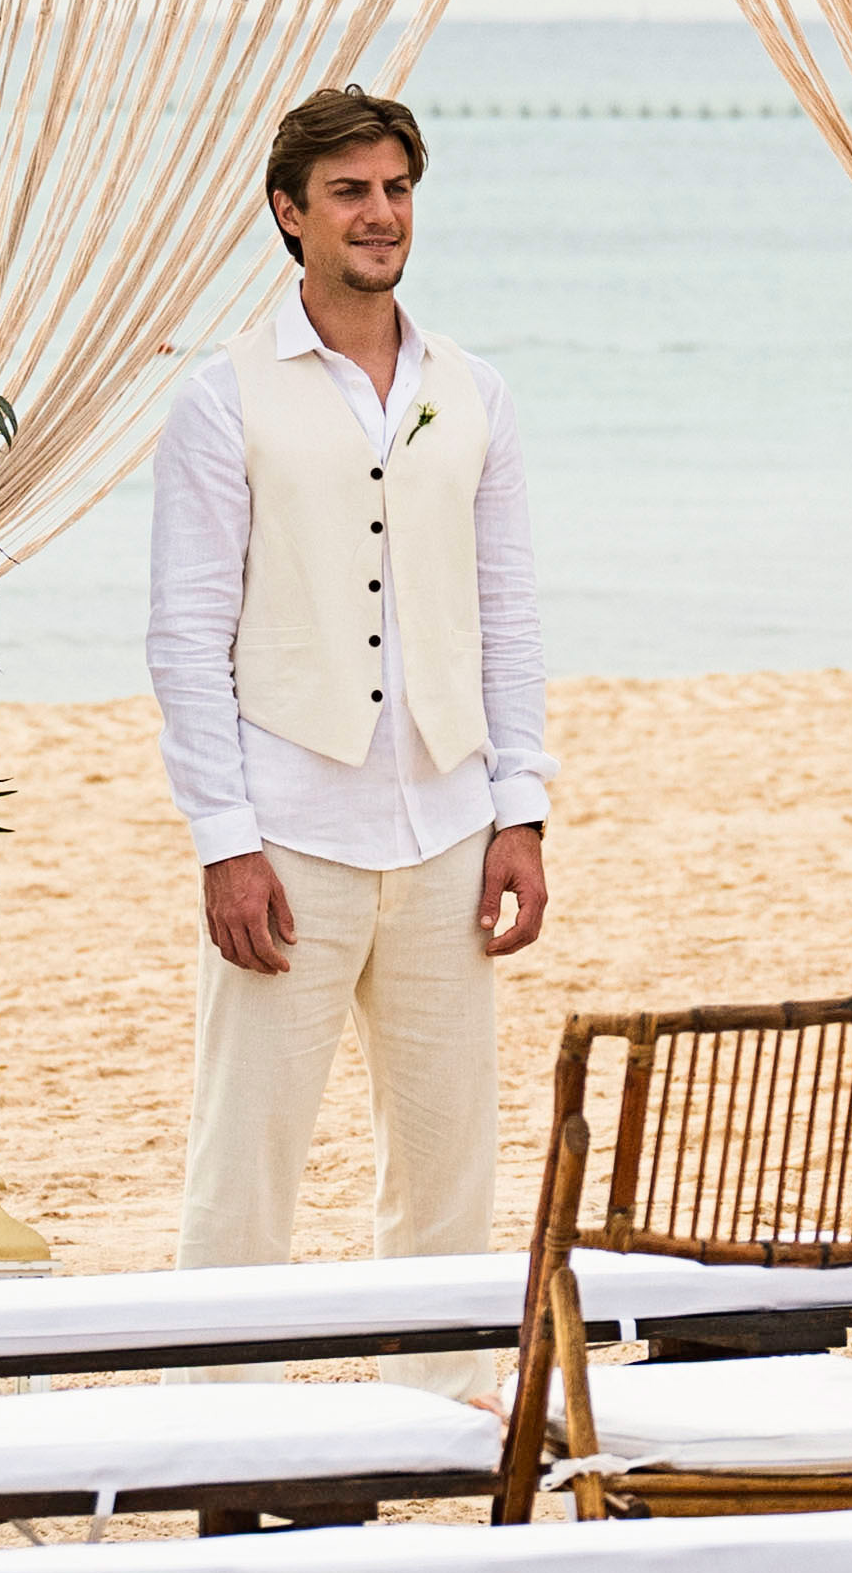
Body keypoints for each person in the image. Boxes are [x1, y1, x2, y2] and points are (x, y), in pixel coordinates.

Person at [142, 84, 550, 1275]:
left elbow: (509, 617)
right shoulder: (222, 399)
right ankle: (222, 1435)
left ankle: (438, 1414)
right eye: (350, 192)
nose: (381, 214)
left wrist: (519, 808)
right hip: (291, 833)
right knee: (245, 1162)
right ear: (289, 211)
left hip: (448, 834)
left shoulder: (475, 393)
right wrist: (225, 838)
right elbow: (185, 636)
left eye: (396, 189)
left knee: (445, 1171)